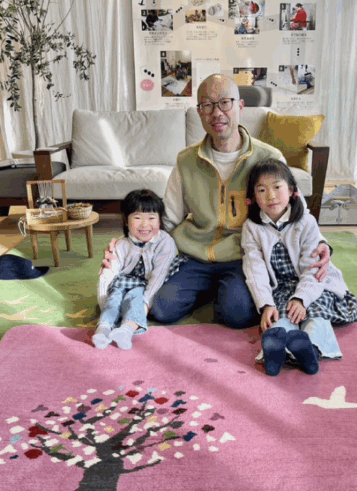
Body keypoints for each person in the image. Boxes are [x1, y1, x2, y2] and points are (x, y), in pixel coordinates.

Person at [102, 74, 330, 329]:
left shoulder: (269, 157)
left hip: (242, 256)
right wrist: (126, 243)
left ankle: (224, 292)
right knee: (162, 309)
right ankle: (209, 289)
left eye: (224, 102)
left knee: (238, 314)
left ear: (240, 106)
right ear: (199, 112)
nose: (217, 112)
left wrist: (321, 243)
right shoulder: (186, 160)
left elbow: (297, 212)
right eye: (208, 105)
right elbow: (168, 219)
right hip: (193, 254)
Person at [242, 159, 357, 375]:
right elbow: (254, 269)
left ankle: (310, 349)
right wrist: (265, 304)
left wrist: (302, 298)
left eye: (277, 187)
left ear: (292, 190)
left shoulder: (306, 222)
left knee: (316, 315)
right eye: (261, 190)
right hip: (280, 287)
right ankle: (275, 351)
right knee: (280, 317)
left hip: (314, 284)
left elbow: (313, 268)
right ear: (253, 197)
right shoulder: (252, 227)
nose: (270, 196)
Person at [93, 189, 177, 350]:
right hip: (122, 283)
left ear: (160, 221)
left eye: (151, 218)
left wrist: (146, 303)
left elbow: (159, 277)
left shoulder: (165, 243)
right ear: (126, 221)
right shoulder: (121, 244)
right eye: (137, 218)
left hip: (145, 287)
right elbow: (108, 273)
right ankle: (102, 329)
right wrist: (104, 302)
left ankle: (127, 330)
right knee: (114, 297)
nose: (144, 224)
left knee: (136, 296)